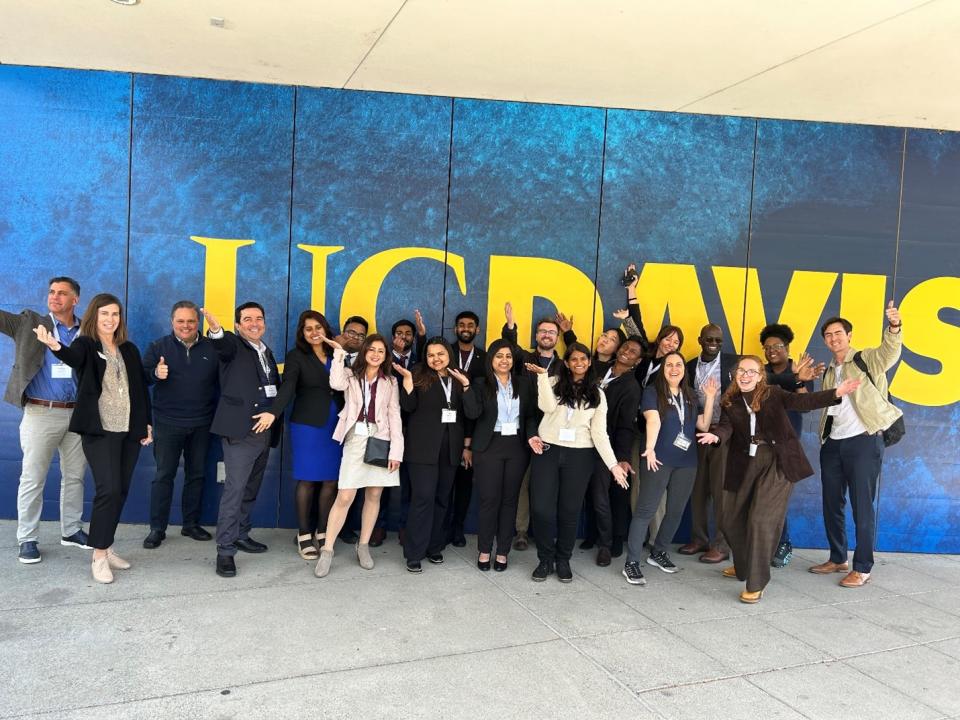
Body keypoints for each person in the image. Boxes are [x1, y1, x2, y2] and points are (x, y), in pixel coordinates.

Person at [697, 355, 860, 603]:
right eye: (742, 371)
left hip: (778, 461)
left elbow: (802, 401)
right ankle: (743, 566)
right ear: (735, 374)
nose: (746, 375)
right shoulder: (730, 400)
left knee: (761, 520)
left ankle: (756, 581)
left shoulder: (773, 393)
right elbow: (726, 427)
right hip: (744, 463)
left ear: (761, 375)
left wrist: (835, 392)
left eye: (752, 371)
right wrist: (715, 437)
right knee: (729, 518)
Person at [34, 293, 153, 584]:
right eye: (104, 314)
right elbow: (73, 358)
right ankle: (99, 555)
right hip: (100, 431)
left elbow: (139, 388)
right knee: (108, 490)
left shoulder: (129, 348)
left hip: (128, 431)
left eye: (115, 314)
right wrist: (54, 344)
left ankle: (107, 545)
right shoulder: (86, 344)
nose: (110, 319)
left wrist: (146, 424)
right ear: (94, 317)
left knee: (121, 490)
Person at [812, 301, 903, 588]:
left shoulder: (866, 359)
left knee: (862, 506)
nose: (833, 338)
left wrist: (894, 327)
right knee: (831, 503)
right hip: (833, 444)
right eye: (828, 335)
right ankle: (838, 557)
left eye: (838, 333)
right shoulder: (828, 371)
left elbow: (890, 351)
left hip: (863, 442)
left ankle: (862, 567)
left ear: (849, 336)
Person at [2, 276, 89, 564]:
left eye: (62, 293)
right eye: (52, 292)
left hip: (77, 413)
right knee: (33, 477)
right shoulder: (29, 323)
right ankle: (27, 538)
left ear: (75, 299)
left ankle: (72, 530)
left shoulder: (86, 331)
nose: (55, 297)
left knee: (75, 476)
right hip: (41, 412)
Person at [525, 342, 629, 582]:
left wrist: (613, 465)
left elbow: (599, 433)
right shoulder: (551, 382)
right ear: (567, 362)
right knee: (541, 509)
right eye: (574, 359)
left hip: (580, 455)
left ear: (589, 362)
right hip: (548, 451)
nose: (579, 363)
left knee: (569, 511)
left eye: (583, 359)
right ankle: (544, 559)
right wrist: (542, 376)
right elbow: (546, 407)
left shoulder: (598, 394)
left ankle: (562, 560)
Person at [622, 352, 717, 585]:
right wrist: (650, 449)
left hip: (687, 461)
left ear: (684, 369)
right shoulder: (652, 392)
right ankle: (632, 563)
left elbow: (702, 425)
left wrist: (711, 397)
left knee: (675, 511)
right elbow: (652, 420)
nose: (674, 368)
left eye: (679, 364)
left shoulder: (691, 395)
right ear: (663, 369)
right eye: (669, 365)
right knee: (646, 510)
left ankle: (659, 552)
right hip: (658, 458)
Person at [203, 303, 282, 578]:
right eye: (247, 319)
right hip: (241, 432)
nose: (254, 323)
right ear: (238, 325)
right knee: (234, 492)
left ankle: (241, 534)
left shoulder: (266, 351)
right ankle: (225, 550)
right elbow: (220, 346)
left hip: (265, 432)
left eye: (259, 318)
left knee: (250, 488)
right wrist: (215, 330)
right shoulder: (233, 346)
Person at [314, 333, 404, 578]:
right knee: (345, 496)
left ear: (385, 356)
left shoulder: (391, 382)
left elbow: (395, 416)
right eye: (371, 349)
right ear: (364, 352)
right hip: (355, 438)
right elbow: (335, 383)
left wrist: (396, 451)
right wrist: (338, 353)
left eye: (381, 351)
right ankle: (328, 550)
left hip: (381, 439)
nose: (376, 354)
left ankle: (363, 545)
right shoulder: (350, 376)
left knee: (374, 494)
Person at [141, 301, 219, 549]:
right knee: (164, 475)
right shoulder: (158, 347)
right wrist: (155, 373)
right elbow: (141, 376)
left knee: (196, 475)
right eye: (180, 321)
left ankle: (191, 524)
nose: (186, 326)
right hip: (167, 422)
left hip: (202, 423)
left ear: (198, 322)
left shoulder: (211, 348)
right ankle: (157, 529)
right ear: (172, 322)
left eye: (191, 321)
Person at [267, 310, 344, 560]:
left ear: (326, 329)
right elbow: (288, 387)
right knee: (308, 480)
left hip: (336, 424)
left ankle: (323, 532)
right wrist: (273, 413)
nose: (313, 333)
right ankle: (303, 534)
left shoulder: (337, 353)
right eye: (308, 328)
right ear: (302, 332)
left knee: (331, 480)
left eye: (318, 327)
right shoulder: (296, 356)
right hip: (308, 426)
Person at [394, 337, 471, 572]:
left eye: (440, 354)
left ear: (449, 354)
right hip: (422, 450)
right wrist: (407, 382)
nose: (435, 359)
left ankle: (434, 547)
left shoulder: (458, 378)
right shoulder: (417, 374)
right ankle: (414, 553)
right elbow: (407, 407)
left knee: (441, 500)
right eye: (430, 355)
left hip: (450, 450)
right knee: (423, 499)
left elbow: (472, 413)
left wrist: (467, 386)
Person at [463, 339, 537, 571]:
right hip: (488, 446)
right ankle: (485, 550)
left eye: (507, 356)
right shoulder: (480, 383)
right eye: (498, 356)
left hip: (516, 445)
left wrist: (532, 435)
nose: (504, 360)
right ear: (490, 360)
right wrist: (466, 387)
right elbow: (472, 413)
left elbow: (530, 416)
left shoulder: (524, 384)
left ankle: (503, 552)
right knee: (488, 501)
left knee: (509, 501)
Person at [502, 304, 564, 552]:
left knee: (547, 486)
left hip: (554, 434)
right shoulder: (523, 359)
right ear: (536, 336)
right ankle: (520, 531)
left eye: (551, 332)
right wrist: (510, 326)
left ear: (557, 338)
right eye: (542, 331)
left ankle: (544, 531)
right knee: (523, 483)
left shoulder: (564, 366)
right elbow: (509, 347)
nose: (547, 335)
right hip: (523, 429)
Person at [760, 323, 823, 567]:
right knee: (761, 496)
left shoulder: (801, 371)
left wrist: (798, 380)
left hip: (786, 444)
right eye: (767, 347)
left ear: (787, 348)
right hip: (761, 444)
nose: (772, 350)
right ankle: (764, 542)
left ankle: (783, 542)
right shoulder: (760, 371)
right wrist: (792, 377)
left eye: (777, 346)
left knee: (778, 496)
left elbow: (806, 404)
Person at [678, 324, 737, 564]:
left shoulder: (734, 362)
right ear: (700, 339)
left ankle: (722, 546)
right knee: (698, 489)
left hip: (724, 434)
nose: (714, 343)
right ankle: (699, 539)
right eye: (709, 339)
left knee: (722, 492)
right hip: (698, 433)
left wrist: (796, 379)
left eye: (718, 340)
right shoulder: (689, 365)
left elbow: (765, 377)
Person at [585, 337, 644, 566]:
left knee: (604, 497)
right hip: (582, 440)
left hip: (606, 446)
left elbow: (625, 426)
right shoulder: (600, 369)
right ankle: (590, 536)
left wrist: (622, 458)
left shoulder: (631, 386)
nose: (626, 352)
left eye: (633, 352)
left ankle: (608, 544)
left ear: (637, 361)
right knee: (587, 492)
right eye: (625, 347)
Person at [444, 310, 486, 548]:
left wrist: (468, 444)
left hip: (472, 427)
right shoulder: (445, 353)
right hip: (444, 428)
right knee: (443, 483)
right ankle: (441, 526)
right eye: (461, 325)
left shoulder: (485, 357)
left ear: (477, 329)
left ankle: (457, 527)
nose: (466, 328)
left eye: (471, 325)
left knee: (463, 484)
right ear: (455, 329)